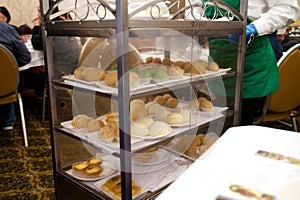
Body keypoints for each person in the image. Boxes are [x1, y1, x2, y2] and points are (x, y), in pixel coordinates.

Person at [201, 0, 300, 126]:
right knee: (215, 124)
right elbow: (195, 6)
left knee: (241, 127)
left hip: (251, 68)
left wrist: (256, 28)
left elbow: (287, 8)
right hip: (218, 67)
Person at [0, 21, 31, 131]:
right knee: (5, 77)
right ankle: (7, 121)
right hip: (5, 88)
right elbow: (25, 57)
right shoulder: (7, 29)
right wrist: (8, 65)